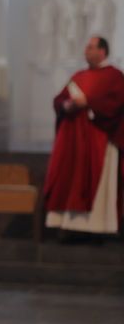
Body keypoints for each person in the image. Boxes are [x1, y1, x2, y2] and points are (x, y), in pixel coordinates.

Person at [43, 36, 124, 240]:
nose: (86, 51)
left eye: (90, 47)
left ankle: (98, 230)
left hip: (100, 140)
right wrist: (66, 105)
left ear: (103, 51)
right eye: (86, 47)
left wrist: (88, 102)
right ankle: (71, 228)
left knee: (98, 183)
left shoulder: (114, 76)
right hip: (74, 141)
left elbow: (116, 103)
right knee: (72, 183)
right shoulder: (79, 76)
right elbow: (60, 99)